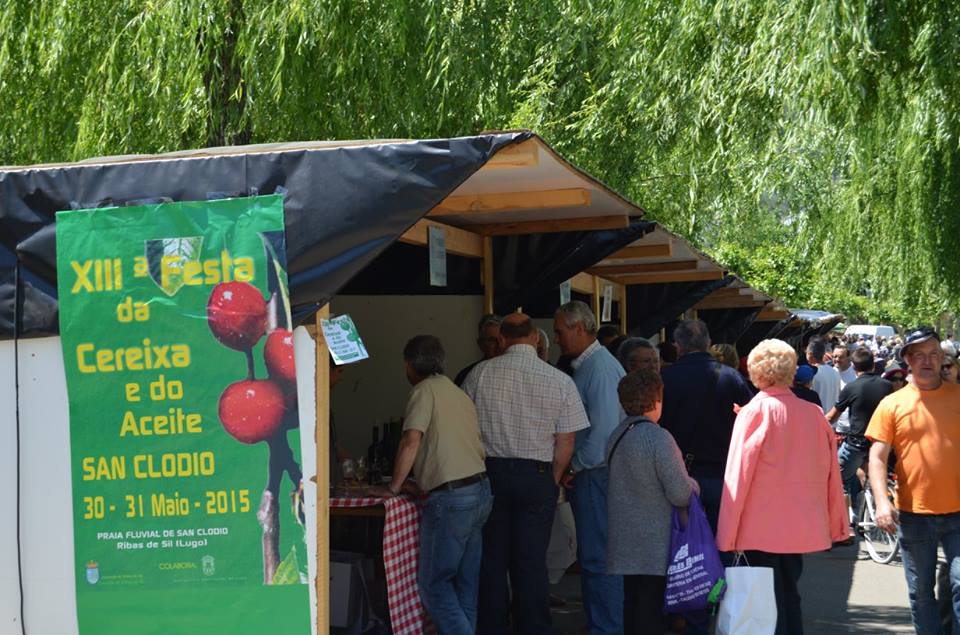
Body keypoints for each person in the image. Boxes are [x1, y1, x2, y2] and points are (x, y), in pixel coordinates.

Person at [463, 312, 589, 635]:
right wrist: (552, 477)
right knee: (531, 563)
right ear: (535, 338)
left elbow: (464, 427)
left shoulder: (480, 374)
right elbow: (567, 441)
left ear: (502, 339)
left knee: (492, 562)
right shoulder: (559, 380)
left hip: (491, 475)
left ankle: (491, 627)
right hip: (537, 475)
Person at [717, 339, 850, 635]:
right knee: (790, 595)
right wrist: (837, 525)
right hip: (802, 525)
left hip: (758, 527)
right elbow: (832, 475)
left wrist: (727, 534)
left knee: (764, 605)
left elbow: (737, 477)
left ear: (755, 371)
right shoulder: (813, 414)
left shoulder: (754, 413)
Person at [370, 335, 491, 635]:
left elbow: (411, 440)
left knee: (434, 587)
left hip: (452, 498)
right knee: (465, 586)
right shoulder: (457, 393)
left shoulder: (423, 391)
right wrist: (421, 481)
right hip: (479, 490)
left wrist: (394, 487)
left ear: (408, 365)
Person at [658, 319, 753, 635]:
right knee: (722, 551)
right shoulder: (732, 378)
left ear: (678, 346)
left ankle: (692, 619)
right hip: (726, 479)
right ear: (709, 343)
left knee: (686, 553)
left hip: (681, 479)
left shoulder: (667, 378)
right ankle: (718, 614)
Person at [866, 327, 960, 634]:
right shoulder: (892, 404)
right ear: (907, 359)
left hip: (959, 514)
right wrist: (882, 501)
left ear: (942, 358)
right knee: (921, 594)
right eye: (919, 355)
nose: (927, 361)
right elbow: (877, 457)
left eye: (934, 354)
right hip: (914, 514)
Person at [606, 369, 697, 634]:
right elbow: (680, 493)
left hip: (625, 540)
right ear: (656, 400)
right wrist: (694, 485)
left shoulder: (617, 434)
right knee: (651, 613)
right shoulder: (658, 437)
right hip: (654, 544)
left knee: (633, 607)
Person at [554, 300, 625, 635]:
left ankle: (606, 626)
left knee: (599, 557)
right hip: (595, 472)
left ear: (579, 328)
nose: (556, 339)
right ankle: (602, 623)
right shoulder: (594, 366)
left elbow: (602, 434)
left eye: (560, 332)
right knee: (596, 556)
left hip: (596, 472)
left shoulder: (599, 369)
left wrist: (575, 467)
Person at [825, 348, 893, 524]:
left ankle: (845, 525)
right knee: (874, 477)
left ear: (854, 366)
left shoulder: (852, 387)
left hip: (857, 444)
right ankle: (870, 505)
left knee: (840, 480)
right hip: (881, 443)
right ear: (873, 365)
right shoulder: (887, 386)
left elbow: (832, 416)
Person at [454, 314, 503, 386]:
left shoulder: (514, 371)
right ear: (481, 344)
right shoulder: (466, 376)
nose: (499, 345)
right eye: (492, 340)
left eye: (501, 339)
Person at [807, 337, 841, 417]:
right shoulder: (835, 372)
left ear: (810, 354)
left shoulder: (812, 375)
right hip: (832, 419)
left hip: (817, 419)